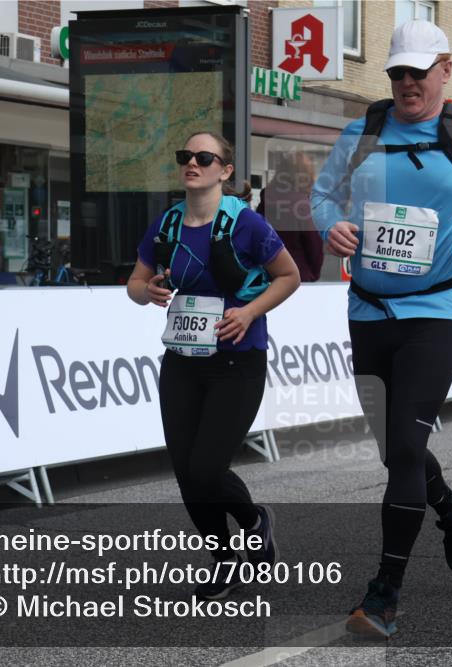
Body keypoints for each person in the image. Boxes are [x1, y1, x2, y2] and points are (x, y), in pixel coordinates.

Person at [311, 19, 452, 638]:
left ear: (445, 71)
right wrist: (330, 224)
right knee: (394, 451)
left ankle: (384, 593)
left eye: (419, 72)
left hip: (435, 313)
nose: (408, 83)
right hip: (366, 311)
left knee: (407, 449)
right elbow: (319, 193)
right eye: (398, 73)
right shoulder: (360, 133)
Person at [127, 131, 300, 600]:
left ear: (224, 170)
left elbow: (290, 276)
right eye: (185, 156)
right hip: (182, 361)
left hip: (238, 362)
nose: (192, 163)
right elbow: (134, 283)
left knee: (206, 468)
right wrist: (151, 292)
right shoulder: (167, 223)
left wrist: (248, 312)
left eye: (205, 158)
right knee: (186, 473)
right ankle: (223, 560)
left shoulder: (246, 224)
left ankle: (253, 521)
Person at [256, 152, 325, 282]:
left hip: (267, 274)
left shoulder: (266, 200)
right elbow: (313, 244)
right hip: (298, 276)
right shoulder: (302, 204)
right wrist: (312, 274)